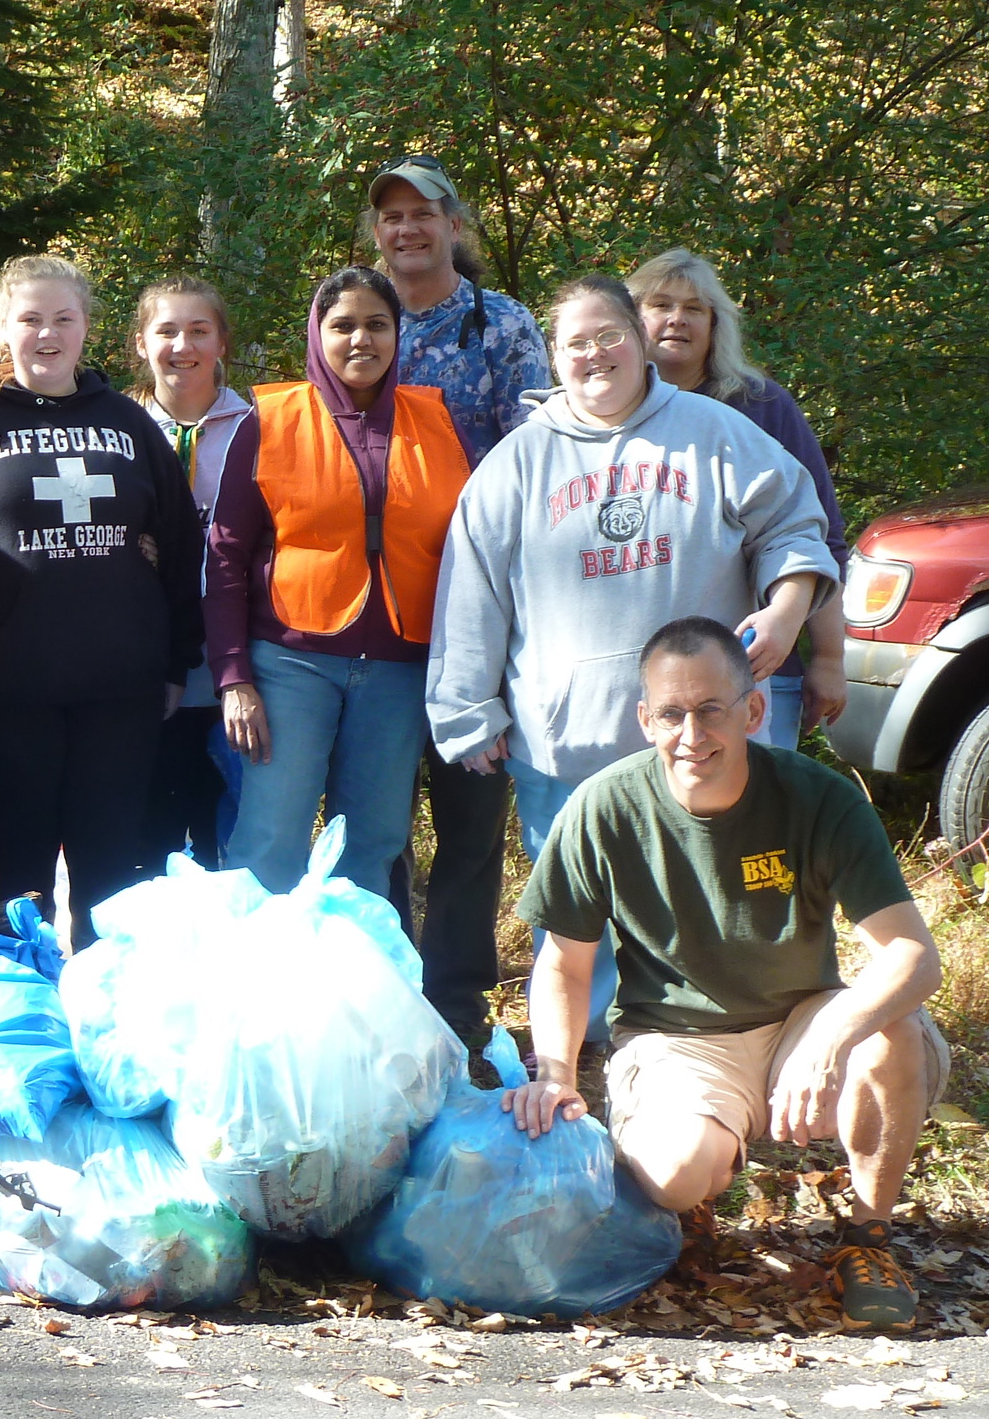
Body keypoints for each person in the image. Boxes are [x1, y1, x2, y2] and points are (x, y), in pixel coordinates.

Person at [428, 272, 839, 1102]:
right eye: (574, 342)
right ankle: (585, 1072)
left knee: (703, 911)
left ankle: (699, 1068)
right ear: (554, 355)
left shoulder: (714, 434)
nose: (594, 355)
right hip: (565, 740)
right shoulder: (517, 463)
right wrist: (468, 710)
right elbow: (471, 590)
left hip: (697, 744)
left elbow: (797, 523)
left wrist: (791, 608)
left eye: (608, 335)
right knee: (579, 927)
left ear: (638, 339)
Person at [507, 617, 944, 1329]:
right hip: (676, 1035)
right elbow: (563, 962)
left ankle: (867, 1238)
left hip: (801, 1018)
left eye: (712, 709)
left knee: (887, 1028)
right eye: (672, 713)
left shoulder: (819, 797)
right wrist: (554, 1072)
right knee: (674, 1174)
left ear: (753, 709)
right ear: (645, 718)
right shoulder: (601, 807)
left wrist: (835, 1032)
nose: (692, 733)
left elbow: (913, 955)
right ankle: (706, 1180)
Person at [0, 254, 203, 946]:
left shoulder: (131, 427)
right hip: (3, 692)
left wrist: (177, 663)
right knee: (19, 875)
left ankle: (103, 1015)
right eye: (30, 319)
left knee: (109, 872)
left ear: (86, 329)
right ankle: (28, 1016)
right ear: (1, 329)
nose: (47, 334)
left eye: (63, 319)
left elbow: (181, 542)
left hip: (121, 691)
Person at [359, 157, 552, 1060]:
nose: (406, 230)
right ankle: (387, 987)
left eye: (422, 214)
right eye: (391, 216)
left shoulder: (501, 325)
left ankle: (459, 1001)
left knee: (472, 823)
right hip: (379, 615)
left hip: (483, 613)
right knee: (382, 818)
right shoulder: (355, 320)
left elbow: (541, 461)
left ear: (452, 223)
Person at [210, 266, 469, 901]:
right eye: (343, 325)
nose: (361, 340)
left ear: (397, 334)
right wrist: (233, 676)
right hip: (289, 667)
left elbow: (473, 550)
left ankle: (359, 995)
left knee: (374, 847)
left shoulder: (436, 421)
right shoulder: (269, 421)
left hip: (400, 671)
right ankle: (251, 995)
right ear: (316, 334)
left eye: (377, 325)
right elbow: (225, 556)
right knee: (270, 842)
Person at [629, 249, 849, 748]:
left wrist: (829, 659)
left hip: (759, 664)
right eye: (660, 304)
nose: (677, 319)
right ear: (633, 319)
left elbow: (821, 538)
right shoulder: (603, 417)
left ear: (716, 324)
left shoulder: (762, 407)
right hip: (643, 676)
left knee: (757, 818)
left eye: (695, 308)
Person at [131, 277, 252, 873]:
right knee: (150, 823)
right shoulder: (119, 431)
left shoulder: (260, 428)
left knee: (227, 820)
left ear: (222, 342)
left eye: (199, 330)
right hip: (149, 655)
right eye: (167, 330)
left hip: (236, 658)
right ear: (140, 343)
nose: (183, 345)